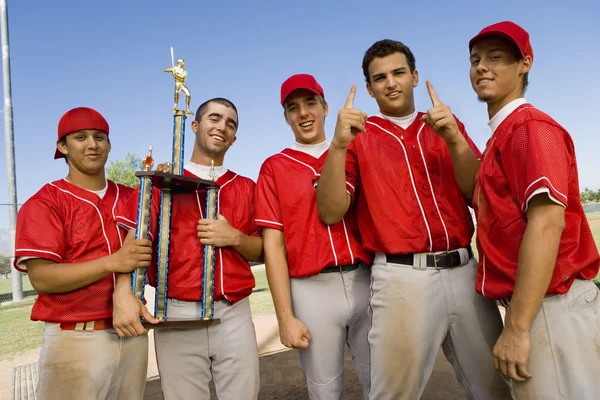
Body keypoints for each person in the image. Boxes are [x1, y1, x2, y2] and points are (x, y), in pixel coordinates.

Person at [316, 40, 512, 399]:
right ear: (371, 87)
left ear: (415, 76)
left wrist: (454, 139)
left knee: (495, 388)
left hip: (465, 270)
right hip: (401, 277)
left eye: (398, 73)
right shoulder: (359, 137)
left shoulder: (446, 125)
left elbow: (477, 195)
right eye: (380, 78)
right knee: (394, 394)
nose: (390, 83)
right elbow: (330, 211)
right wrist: (338, 145)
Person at [458, 21, 600, 399]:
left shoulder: (529, 127)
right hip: (540, 304)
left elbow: (546, 224)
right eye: (475, 60)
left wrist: (517, 328)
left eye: (496, 57)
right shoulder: (502, 133)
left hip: (552, 306)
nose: (482, 67)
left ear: (525, 64)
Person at [113, 98, 263, 400]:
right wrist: (123, 292)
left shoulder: (245, 186)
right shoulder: (161, 181)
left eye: (230, 124)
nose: (222, 126)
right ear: (194, 125)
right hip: (176, 313)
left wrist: (233, 236)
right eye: (214, 118)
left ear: (234, 138)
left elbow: (261, 251)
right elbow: (132, 244)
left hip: (234, 311)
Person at [13, 107, 154, 400]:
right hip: (75, 337)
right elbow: (42, 278)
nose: (92, 144)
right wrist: (113, 262)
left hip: (132, 333)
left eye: (99, 137)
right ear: (62, 146)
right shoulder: (44, 202)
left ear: (109, 144)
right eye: (80, 137)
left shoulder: (133, 197)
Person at [255, 74, 372, 399]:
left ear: (325, 107)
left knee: (382, 382)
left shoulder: (354, 150)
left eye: (310, 103)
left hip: (366, 279)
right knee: (324, 389)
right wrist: (285, 317)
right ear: (286, 117)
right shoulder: (274, 167)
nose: (303, 113)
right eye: (293, 108)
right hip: (312, 289)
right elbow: (273, 247)